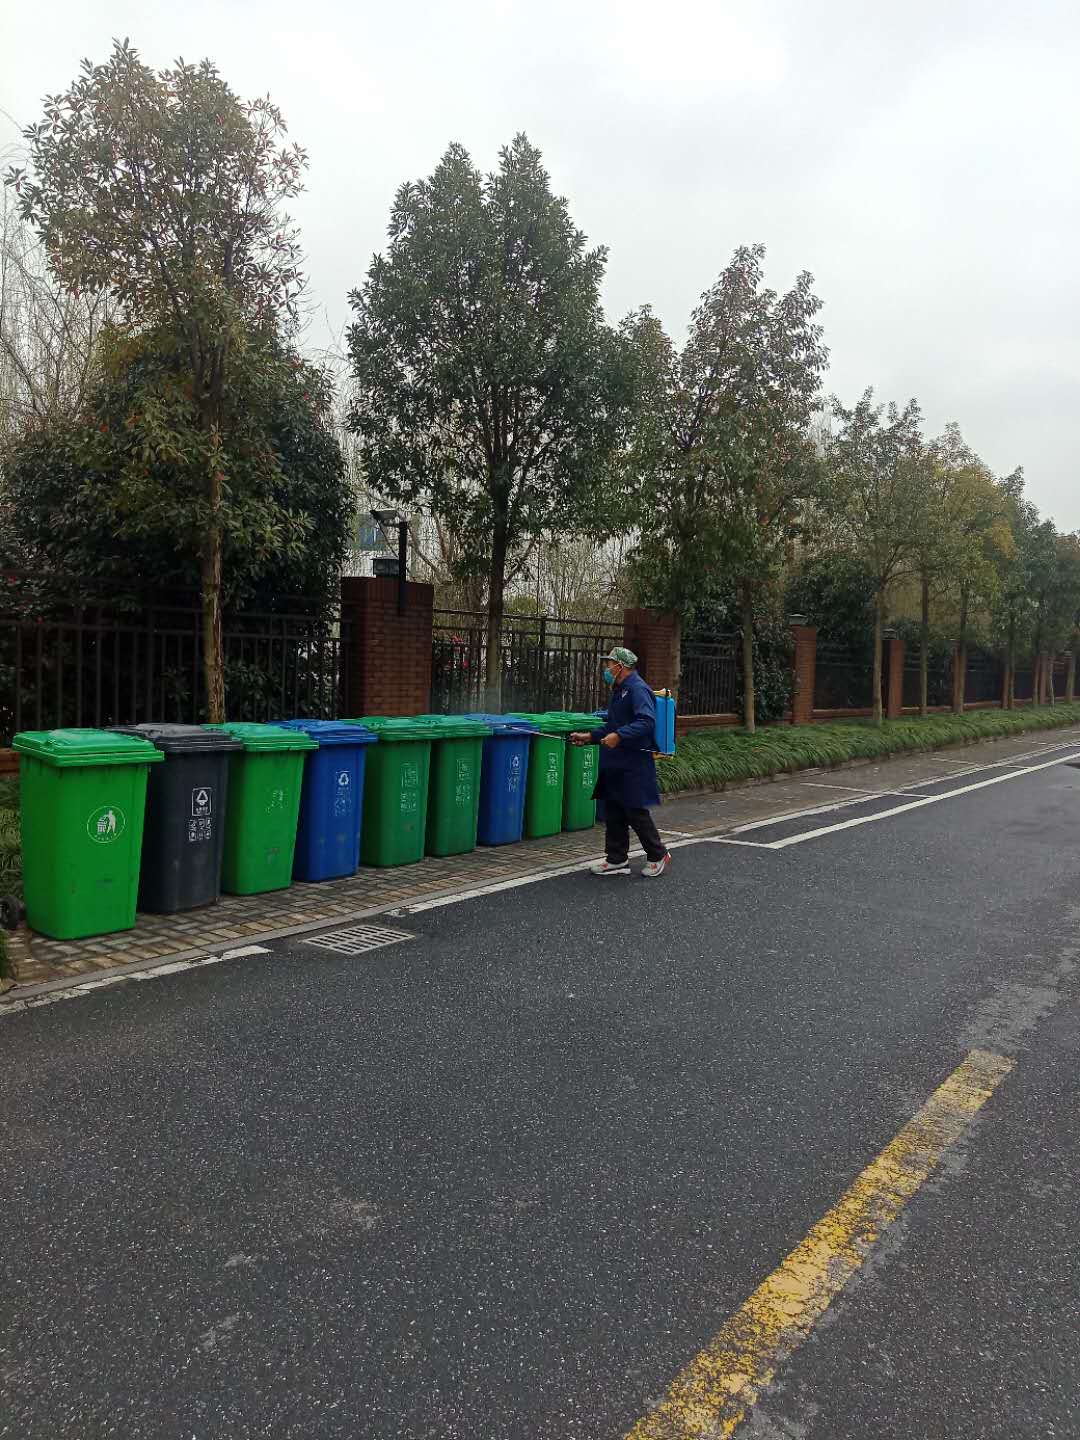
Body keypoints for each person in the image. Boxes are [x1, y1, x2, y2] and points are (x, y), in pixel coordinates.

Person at [570, 647, 672, 878]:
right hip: (615, 760)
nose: (606, 669)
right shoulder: (620, 690)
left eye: (609, 664)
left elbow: (646, 721)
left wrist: (619, 736)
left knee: (634, 810)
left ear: (621, 666)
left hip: (632, 761)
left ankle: (658, 854)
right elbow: (612, 726)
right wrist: (590, 737)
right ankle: (617, 859)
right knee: (613, 809)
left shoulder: (637, 689)